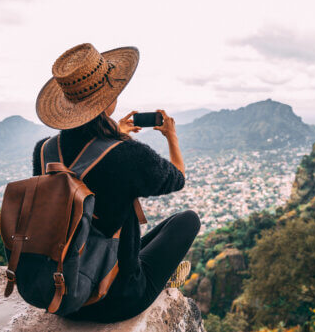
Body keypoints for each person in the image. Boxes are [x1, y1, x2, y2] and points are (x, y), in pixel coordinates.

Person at [33, 43, 200, 321]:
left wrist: (112, 136)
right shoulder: (126, 154)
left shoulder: (45, 150)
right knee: (187, 220)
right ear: (108, 100)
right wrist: (171, 136)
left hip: (60, 294)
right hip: (116, 299)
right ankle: (160, 284)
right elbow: (177, 178)